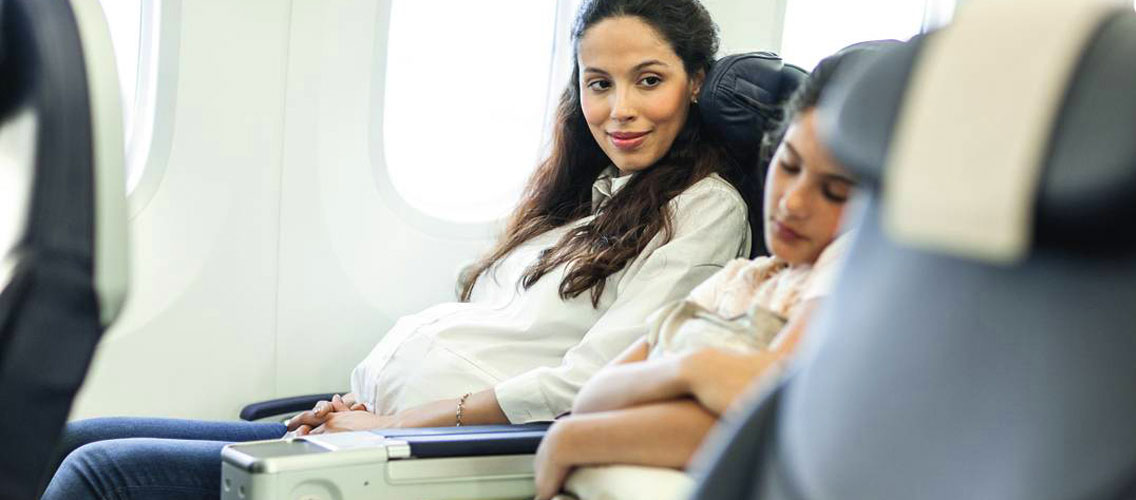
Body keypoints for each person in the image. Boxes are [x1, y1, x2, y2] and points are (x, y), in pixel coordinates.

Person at [42, 0, 755, 497]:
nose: (618, 109)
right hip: (374, 431)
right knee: (73, 438)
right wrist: (357, 403)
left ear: (694, 82)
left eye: (648, 81)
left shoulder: (704, 212)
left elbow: (582, 387)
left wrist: (391, 421)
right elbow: (493, 332)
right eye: (598, 84)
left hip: (438, 462)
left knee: (105, 475)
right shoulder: (595, 196)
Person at [530, 44, 885, 500]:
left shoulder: (845, 270)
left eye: (835, 192)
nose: (792, 202)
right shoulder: (742, 278)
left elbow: (770, 409)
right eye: (789, 166)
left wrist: (577, 438)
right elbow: (594, 397)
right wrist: (694, 375)